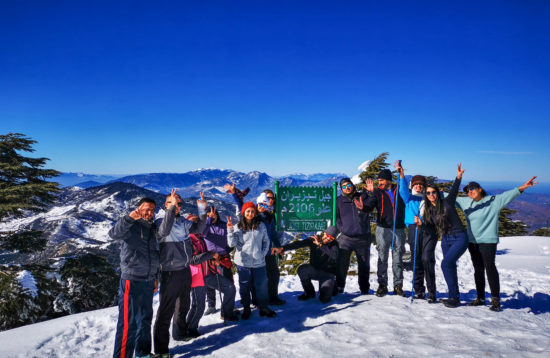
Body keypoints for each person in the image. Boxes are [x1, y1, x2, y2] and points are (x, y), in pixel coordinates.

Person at [110, 192, 177, 358]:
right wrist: (129, 218)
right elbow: (113, 234)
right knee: (128, 323)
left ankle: (143, 353)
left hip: (148, 281)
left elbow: (162, 238)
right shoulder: (130, 226)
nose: (149, 213)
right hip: (131, 280)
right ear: (138, 209)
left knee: (145, 319)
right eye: (146, 209)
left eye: (152, 210)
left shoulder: (152, 229)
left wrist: (172, 207)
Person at [456, 176, 537, 311]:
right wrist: (434, 192)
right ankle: (481, 298)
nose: (469, 192)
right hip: (473, 242)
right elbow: (448, 197)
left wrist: (522, 187)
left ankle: (495, 300)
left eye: (472, 188)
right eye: (467, 190)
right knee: (478, 270)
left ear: (480, 189)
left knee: (490, 268)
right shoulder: (465, 202)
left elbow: (508, 196)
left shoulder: (493, 201)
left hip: (488, 241)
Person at [152, 192, 202, 357]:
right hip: (170, 272)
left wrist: (202, 210)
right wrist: (172, 208)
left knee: (183, 305)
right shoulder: (161, 220)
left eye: (179, 203)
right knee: (165, 311)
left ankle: (179, 333)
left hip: (184, 269)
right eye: (172, 203)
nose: (177, 206)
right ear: (166, 205)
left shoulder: (182, 221)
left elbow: (200, 228)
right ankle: (161, 350)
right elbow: (164, 232)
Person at [224, 184, 285, 305]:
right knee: (253, 280)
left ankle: (271, 298)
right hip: (254, 254)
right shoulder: (253, 215)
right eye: (264, 201)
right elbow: (242, 208)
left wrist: (278, 246)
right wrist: (234, 195)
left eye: (269, 200)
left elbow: (272, 234)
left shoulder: (270, 217)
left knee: (271, 275)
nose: (267, 203)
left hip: (267, 251)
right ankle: (255, 301)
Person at [416, 164, 466, 308]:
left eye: (433, 192)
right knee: (450, 267)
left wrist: (458, 177)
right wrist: (420, 222)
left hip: (459, 237)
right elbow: (429, 226)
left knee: (446, 264)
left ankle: (454, 297)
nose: (431, 195)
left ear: (438, 193)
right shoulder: (429, 211)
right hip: (445, 239)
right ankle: (454, 297)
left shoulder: (447, 202)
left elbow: (454, 190)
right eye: (428, 193)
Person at [395, 161, 436, 303]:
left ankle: (431, 291)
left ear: (424, 186)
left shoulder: (429, 198)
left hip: (427, 229)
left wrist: (423, 221)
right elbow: (402, 191)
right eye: (416, 184)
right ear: (412, 185)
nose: (418, 186)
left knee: (426, 259)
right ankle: (419, 290)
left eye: (421, 184)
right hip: (413, 229)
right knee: (416, 260)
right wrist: (401, 175)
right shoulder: (409, 198)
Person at [227, 201, 276, 319]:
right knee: (244, 287)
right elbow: (231, 243)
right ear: (243, 213)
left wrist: (263, 253)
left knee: (261, 285)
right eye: (248, 211)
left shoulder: (261, 225)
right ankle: (246, 308)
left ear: (255, 213)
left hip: (259, 262)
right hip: (243, 263)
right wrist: (229, 230)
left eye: (252, 211)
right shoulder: (238, 227)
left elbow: (266, 241)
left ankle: (263, 307)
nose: (250, 213)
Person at [186, 233, 237, 340]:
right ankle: (190, 328)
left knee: (229, 288)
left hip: (209, 274)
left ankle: (227, 313)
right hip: (197, 276)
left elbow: (208, 254)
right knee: (198, 306)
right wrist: (210, 255)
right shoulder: (188, 240)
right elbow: (192, 260)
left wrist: (213, 260)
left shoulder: (201, 238)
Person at [364, 169, 406, 297]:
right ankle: (382, 285)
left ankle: (398, 286)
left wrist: (402, 173)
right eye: (378, 180)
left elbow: (407, 196)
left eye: (381, 180)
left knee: (398, 258)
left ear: (388, 180)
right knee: (382, 257)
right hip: (382, 228)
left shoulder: (398, 190)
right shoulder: (377, 192)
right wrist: (368, 193)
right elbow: (368, 207)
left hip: (398, 228)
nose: (379, 182)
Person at [273, 226, 340, 303]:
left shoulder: (334, 245)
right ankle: (309, 293)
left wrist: (320, 245)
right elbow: (299, 244)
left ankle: (332, 286)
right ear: (324, 233)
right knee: (302, 270)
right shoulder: (314, 239)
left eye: (331, 238)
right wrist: (283, 248)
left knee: (324, 299)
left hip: (327, 274)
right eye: (327, 235)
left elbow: (334, 255)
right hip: (315, 269)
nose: (328, 239)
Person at [196, 193, 236, 316]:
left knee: (228, 281)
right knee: (210, 283)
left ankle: (228, 307)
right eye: (208, 215)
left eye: (213, 215)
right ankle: (211, 304)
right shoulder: (205, 227)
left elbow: (231, 241)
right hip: (209, 258)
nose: (211, 217)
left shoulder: (223, 225)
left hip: (223, 257)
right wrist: (205, 214)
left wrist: (225, 252)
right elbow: (203, 233)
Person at [334, 177, 372, 295]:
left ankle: (364, 288)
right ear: (341, 189)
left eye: (348, 185)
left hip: (363, 237)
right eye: (344, 186)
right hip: (346, 238)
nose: (347, 187)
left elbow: (372, 206)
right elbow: (336, 218)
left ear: (352, 185)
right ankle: (340, 287)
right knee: (342, 264)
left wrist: (371, 192)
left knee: (364, 265)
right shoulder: (338, 201)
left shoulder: (363, 197)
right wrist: (342, 229)